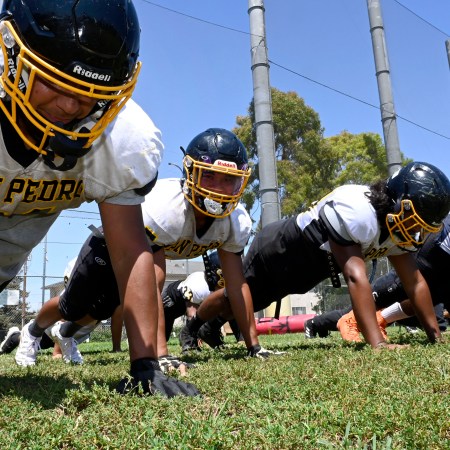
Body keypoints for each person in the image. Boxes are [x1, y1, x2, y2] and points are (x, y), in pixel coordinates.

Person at [4, 0, 198, 397]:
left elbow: (129, 251)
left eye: (91, 93)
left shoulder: (121, 138)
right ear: (9, 50)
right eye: (53, 82)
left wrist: (146, 364)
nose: (71, 106)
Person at [181, 162, 450, 349]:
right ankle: (192, 329)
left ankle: (211, 327)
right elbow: (356, 277)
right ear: (396, 200)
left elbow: (414, 282)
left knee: (255, 299)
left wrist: (435, 336)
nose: (416, 230)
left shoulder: (395, 229)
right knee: (236, 296)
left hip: (307, 271)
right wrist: (378, 344)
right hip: (279, 250)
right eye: (415, 219)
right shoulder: (358, 209)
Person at [306, 213, 450, 340]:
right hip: (406, 278)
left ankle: (382, 318)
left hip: (433, 279)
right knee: (359, 311)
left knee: (431, 309)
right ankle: (314, 324)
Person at [161, 250, 243, 351]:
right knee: (161, 337)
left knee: (229, 306)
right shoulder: (198, 285)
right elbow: (192, 315)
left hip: (196, 302)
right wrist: (193, 338)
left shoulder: (219, 287)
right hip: (171, 301)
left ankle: (218, 337)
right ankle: (189, 345)